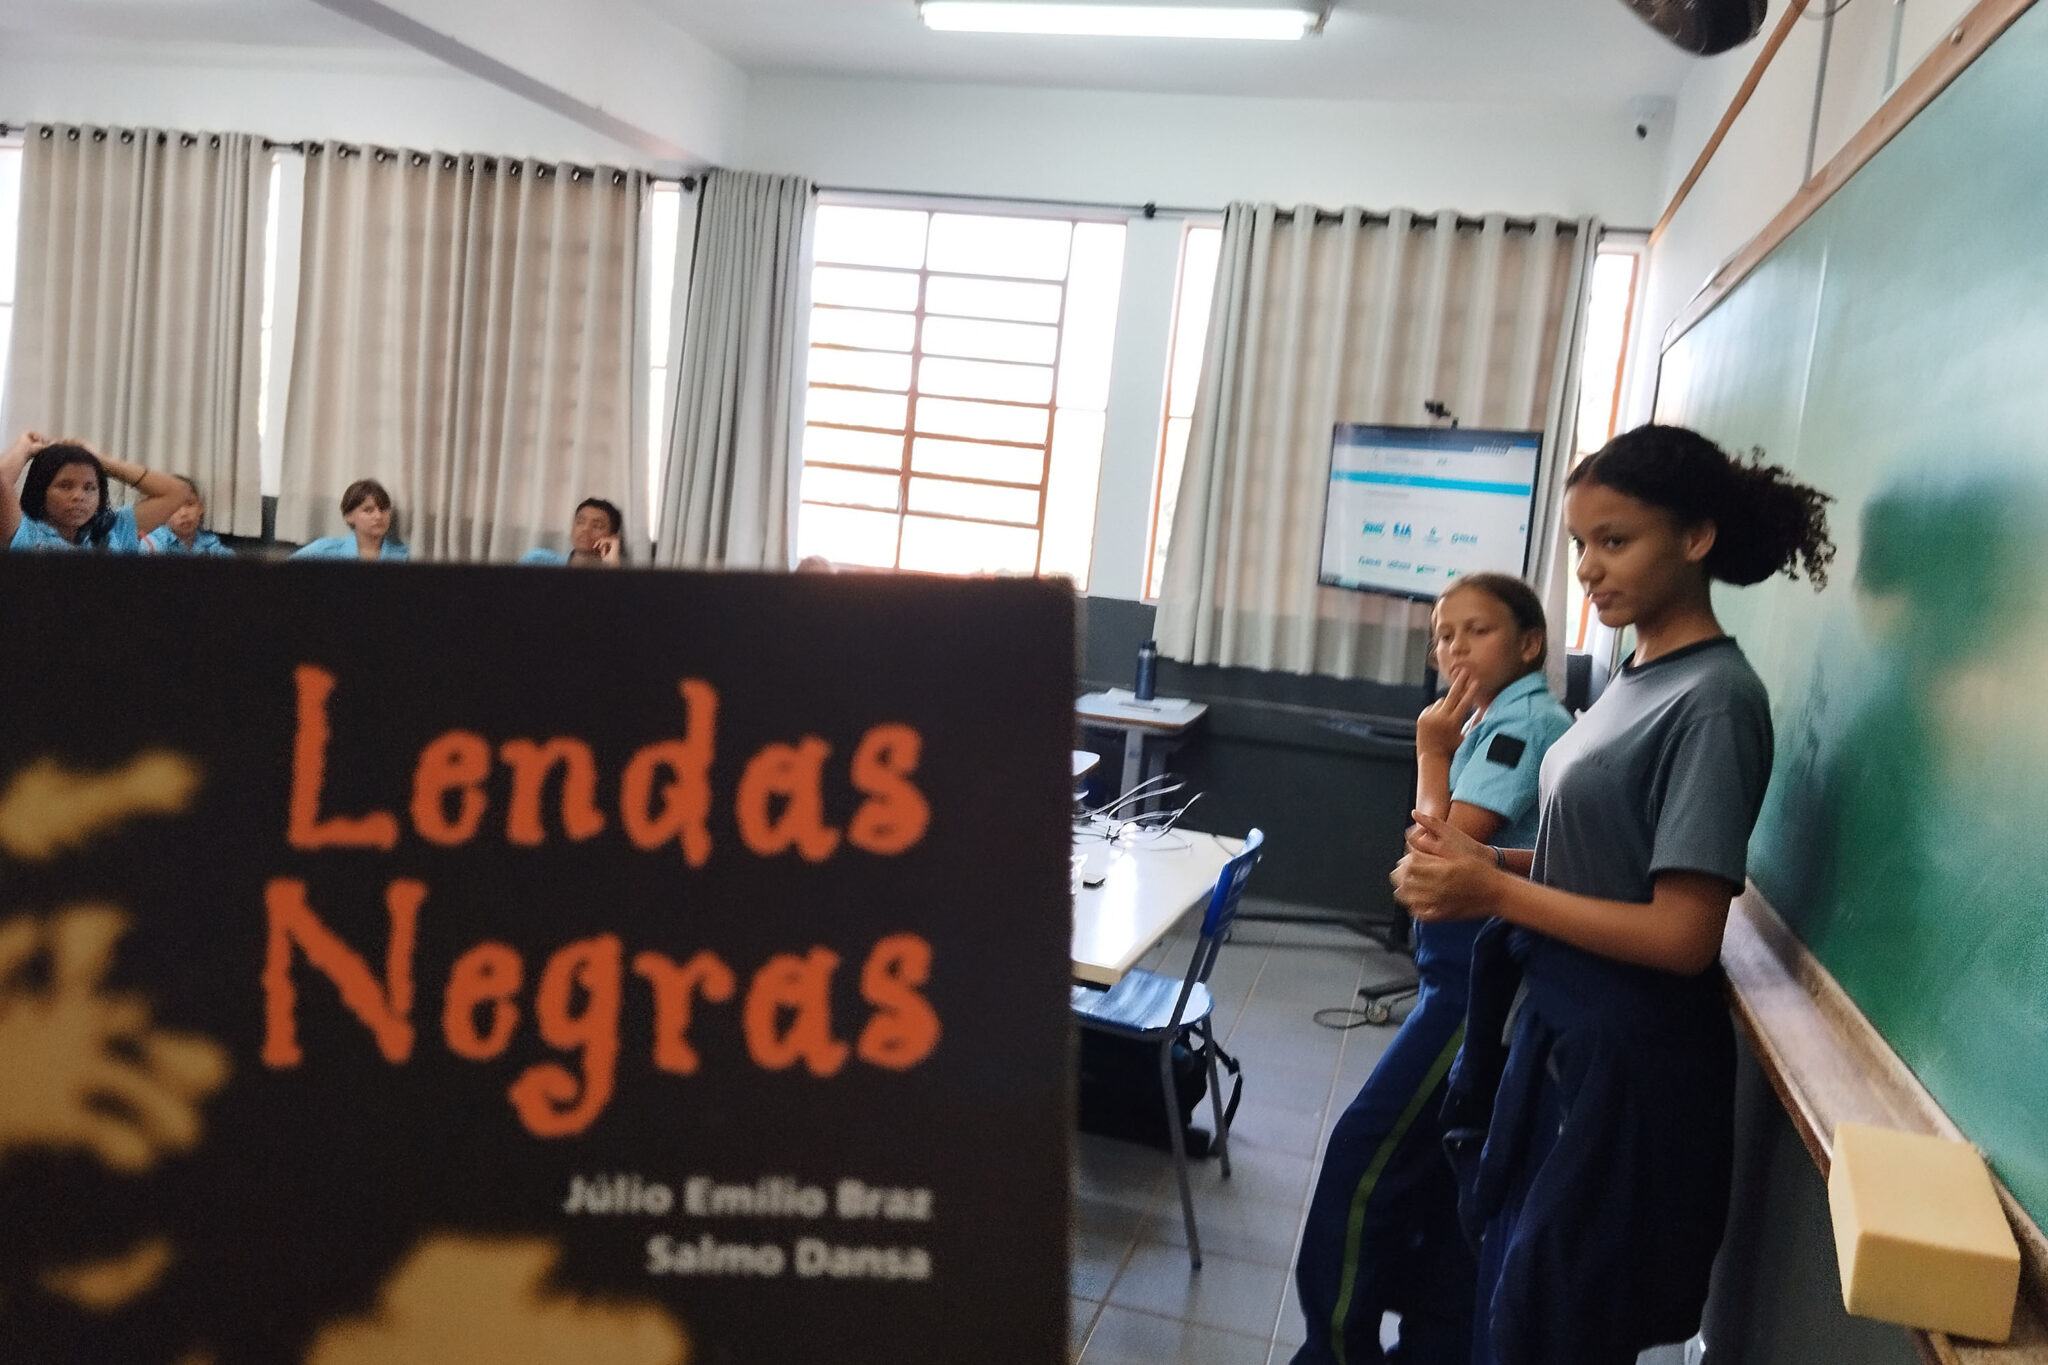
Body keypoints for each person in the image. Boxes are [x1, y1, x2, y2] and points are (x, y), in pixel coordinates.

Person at [1393, 425, 1834, 1365]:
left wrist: (1495, 894)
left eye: (1615, 540)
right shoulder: (1637, 675)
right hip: (1560, 1040)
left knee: (1552, 1326)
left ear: (1696, 538)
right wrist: (1483, 875)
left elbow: (1682, 933)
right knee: (1510, 1303)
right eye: (1579, 544)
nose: (1589, 568)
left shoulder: (1714, 697)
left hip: (1624, 1066)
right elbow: (1592, 862)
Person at [1292, 572, 1572, 1365]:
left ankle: (1334, 1352)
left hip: (1474, 993)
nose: (1453, 648)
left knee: (1363, 1157)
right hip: (1461, 979)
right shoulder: (1495, 719)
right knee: (1446, 1176)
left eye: (1475, 632)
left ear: (1529, 644)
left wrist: (1429, 751)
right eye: (1444, 635)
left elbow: (1442, 846)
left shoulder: (1524, 723)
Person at [2, 432, 191, 553]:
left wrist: (102, 461)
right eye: (65, 486)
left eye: (90, 488)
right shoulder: (23, 529)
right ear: (40, 489)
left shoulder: (114, 531)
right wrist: (23, 448)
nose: (79, 496)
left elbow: (177, 492)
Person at [290, 479, 409, 561]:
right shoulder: (323, 550)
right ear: (349, 515)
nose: (378, 516)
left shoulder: (403, 555)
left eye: (383, 509)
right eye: (368, 510)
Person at [141, 476, 235, 557]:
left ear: (201, 508)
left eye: (190, 504)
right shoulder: (153, 543)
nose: (184, 513)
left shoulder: (209, 542)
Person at [519, 498, 624, 566]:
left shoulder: (610, 573)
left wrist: (613, 566)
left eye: (597, 526)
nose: (585, 529)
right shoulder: (538, 560)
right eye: (580, 522)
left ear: (612, 538)